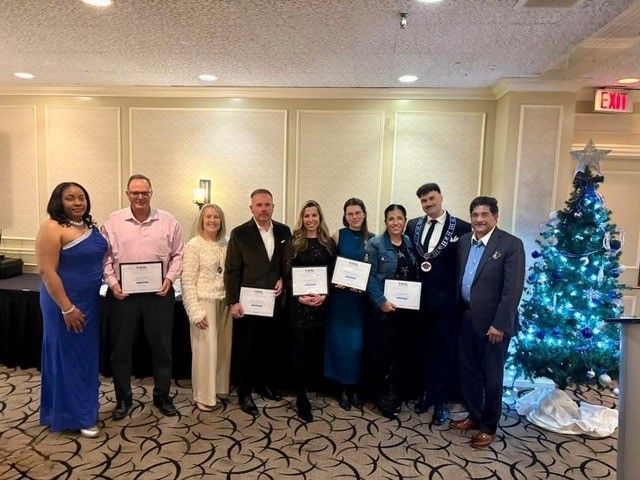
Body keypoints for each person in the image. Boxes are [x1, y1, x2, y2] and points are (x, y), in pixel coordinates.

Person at [102, 174, 184, 420]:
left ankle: (162, 396)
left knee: (162, 348)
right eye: (135, 192)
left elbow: (179, 255)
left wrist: (169, 279)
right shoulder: (113, 221)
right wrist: (113, 283)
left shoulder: (168, 221)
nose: (140, 196)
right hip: (122, 296)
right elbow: (104, 258)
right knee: (120, 349)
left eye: (144, 192)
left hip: (159, 295)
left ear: (151, 193)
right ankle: (123, 398)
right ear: (127, 194)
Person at [450, 196, 525, 448]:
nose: (479, 220)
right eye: (475, 215)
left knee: (492, 376)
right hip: (466, 317)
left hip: (494, 325)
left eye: (484, 215)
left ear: (495, 216)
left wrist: (500, 324)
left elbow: (512, 290)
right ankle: (474, 415)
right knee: (468, 371)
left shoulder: (511, 244)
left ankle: (488, 427)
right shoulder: (463, 242)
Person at [36, 182, 107, 438]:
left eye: (81, 197)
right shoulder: (51, 227)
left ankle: (80, 410)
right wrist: (67, 308)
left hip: (90, 302)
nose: (77, 202)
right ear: (59, 201)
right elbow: (47, 272)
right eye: (70, 198)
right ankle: (76, 416)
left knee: (85, 357)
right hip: (62, 303)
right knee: (68, 357)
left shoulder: (89, 226)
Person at [406, 183, 471, 425]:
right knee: (421, 348)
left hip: (446, 304)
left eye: (431, 198)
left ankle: (441, 401)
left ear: (441, 197)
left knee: (444, 351)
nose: (428, 204)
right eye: (424, 201)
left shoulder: (462, 228)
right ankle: (425, 393)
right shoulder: (413, 225)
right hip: (417, 301)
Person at [224, 188, 291, 417]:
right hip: (248, 303)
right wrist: (233, 302)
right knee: (246, 348)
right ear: (251, 207)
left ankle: (264, 385)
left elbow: (286, 263)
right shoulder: (239, 233)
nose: (263, 209)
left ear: (273, 207)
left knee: (268, 347)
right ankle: (244, 392)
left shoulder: (284, 231)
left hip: (273, 301)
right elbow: (232, 270)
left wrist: (283, 279)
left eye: (267, 205)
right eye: (259, 205)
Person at [282, 200, 336, 422]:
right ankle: (301, 397)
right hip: (298, 306)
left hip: (319, 306)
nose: (310, 220)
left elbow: (333, 274)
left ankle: (309, 388)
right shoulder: (293, 243)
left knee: (314, 350)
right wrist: (299, 295)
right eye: (306, 216)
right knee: (298, 352)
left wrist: (324, 295)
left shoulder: (329, 244)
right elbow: (286, 274)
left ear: (319, 217)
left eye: (314, 215)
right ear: (301, 218)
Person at [365, 204, 417, 419]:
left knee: (399, 353)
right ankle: (382, 396)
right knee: (382, 354)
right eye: (391, 219)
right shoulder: (375, 244)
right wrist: (381, 301)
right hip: (384, 311)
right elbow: (369, 277)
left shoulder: (409, 242)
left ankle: (395, 392)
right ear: (385, 222)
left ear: (405, 220)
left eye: (399, 218)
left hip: (405, 311)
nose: (395, 223)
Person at [181, 204, 232, 411]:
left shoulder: (226, 243)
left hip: (224, 302)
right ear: (202, 220)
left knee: (222, 350)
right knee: (205, 352)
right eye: (208, 217)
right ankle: (203, 395)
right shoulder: (194, 245)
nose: (212, 220)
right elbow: (187, 281)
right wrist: (195, 311)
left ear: (221, 221)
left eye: (216, 217)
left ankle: (217, 389)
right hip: (204, 303)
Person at [324, 198, 373, 411]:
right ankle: (343, 388)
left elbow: (375, 270)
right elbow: (326, 265)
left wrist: (365, 285)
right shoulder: (337, 236)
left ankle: (356, 387)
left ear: (364, 214)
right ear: (345, 216)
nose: (354, 217)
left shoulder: (373, 239)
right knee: (340, 344)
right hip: (340, 300)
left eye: (358, 212)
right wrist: (334, 281)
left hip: (360, 302)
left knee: (358, 346)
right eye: (350, 213)